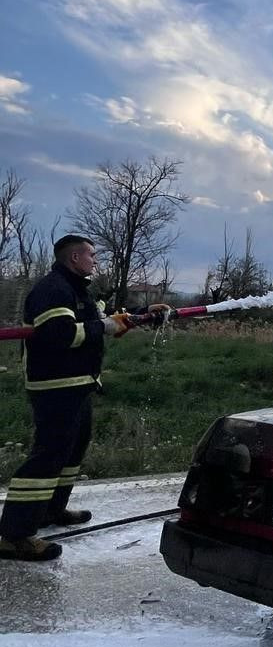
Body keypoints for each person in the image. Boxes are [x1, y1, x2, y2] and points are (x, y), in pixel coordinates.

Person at [0, 235, 163, 563]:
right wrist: (105, 326)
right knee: (48, 456)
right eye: (91, 255)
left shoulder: (76, 288)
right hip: (55, 386)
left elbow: (98, 321)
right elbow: (60, 334)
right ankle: (14, 535)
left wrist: (142, 314)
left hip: (77, 384)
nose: (95, 260)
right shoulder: (53, 289)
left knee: (72, 451)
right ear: (74, 257)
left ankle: (50, 511)